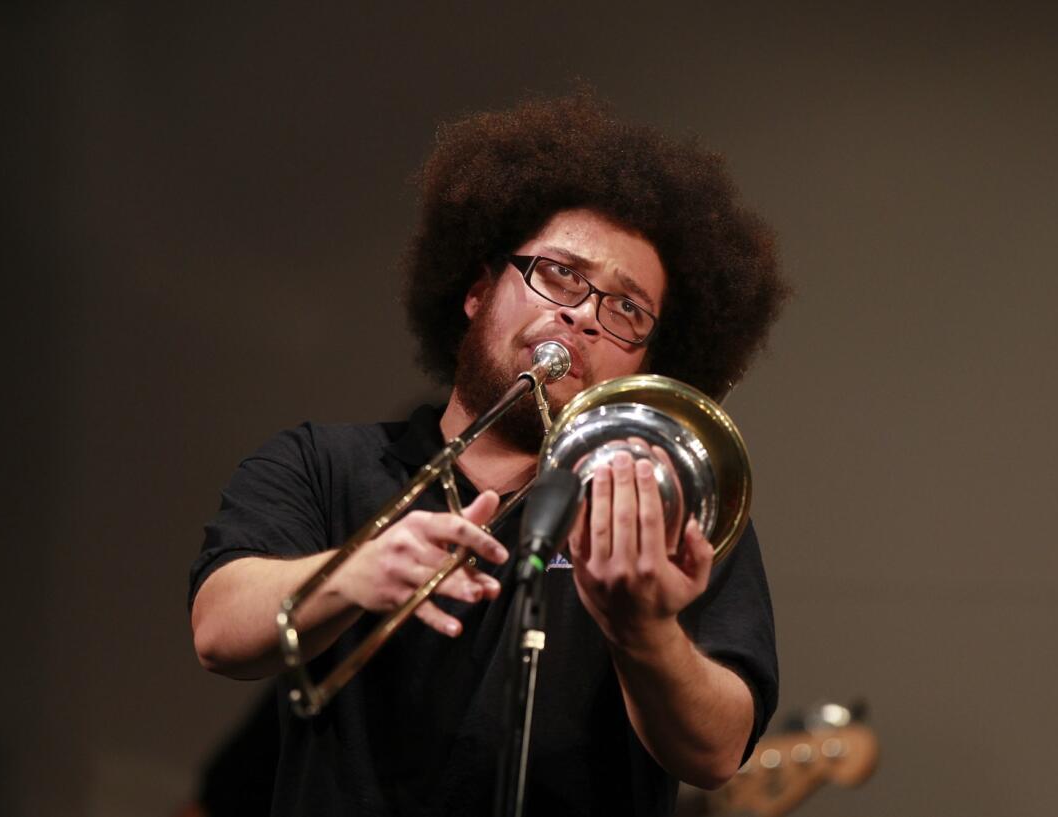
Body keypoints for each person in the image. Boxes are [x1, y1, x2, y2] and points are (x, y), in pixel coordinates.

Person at [189, 91, 790, 817]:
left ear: (645, 364)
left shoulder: (671, 505)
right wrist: (354, 570)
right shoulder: (323, 461)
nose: (581, 315)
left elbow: (718, 751)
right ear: (478, 289)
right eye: (560, 273)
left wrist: (645, 632)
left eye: (626, 308)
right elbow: (220, 630)